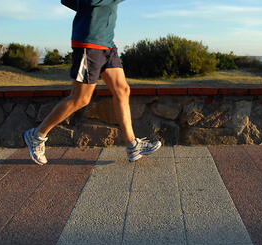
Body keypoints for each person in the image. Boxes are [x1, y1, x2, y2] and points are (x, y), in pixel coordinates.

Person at [23, 0, 161, 165]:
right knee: (80, 98)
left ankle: (133, 145)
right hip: (89, 43)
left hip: (106, 43)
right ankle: (37, 135)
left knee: (122, 90)